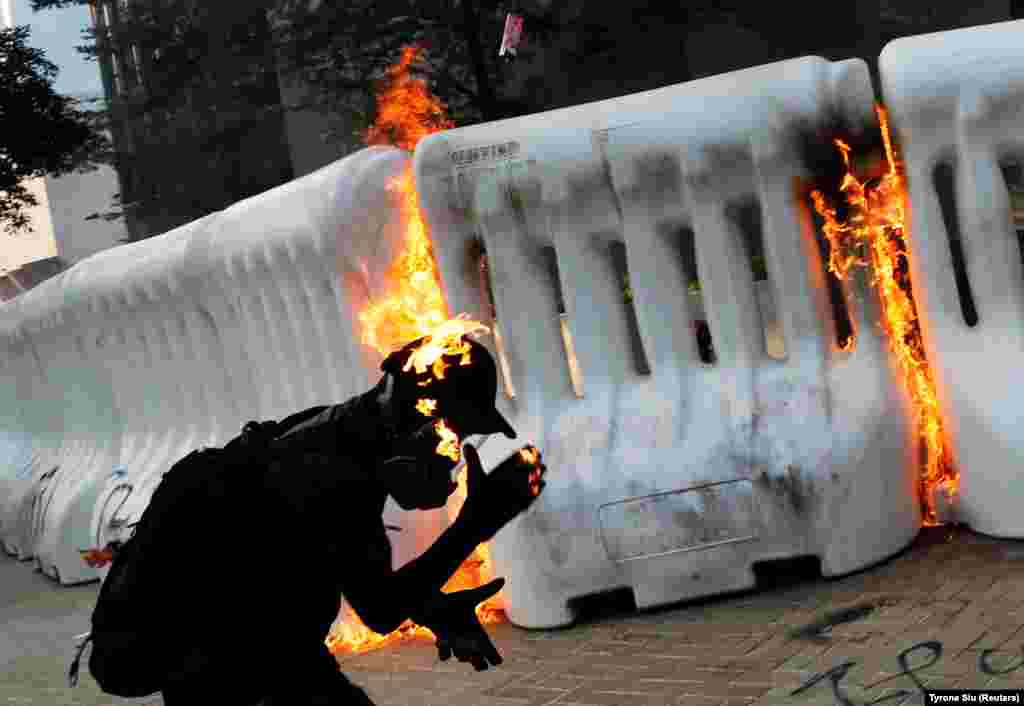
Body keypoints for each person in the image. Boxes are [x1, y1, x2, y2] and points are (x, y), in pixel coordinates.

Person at [101, 334, 546, 705]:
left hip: (267, 653)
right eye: (451, 434)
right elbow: (381, 609)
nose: (453, 455)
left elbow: (331, 558)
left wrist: (430, 605)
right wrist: (476, 522)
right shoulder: (331, 466)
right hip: (224, 666)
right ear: (413, 413)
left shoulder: (346, 435)